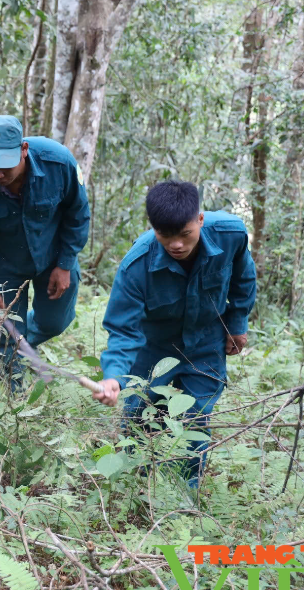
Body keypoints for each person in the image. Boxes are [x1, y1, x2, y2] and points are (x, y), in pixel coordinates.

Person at [97, 180, 257, 489]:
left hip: (205, 341)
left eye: (185, 234)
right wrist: (114, 376)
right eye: (165, 236)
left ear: (199, 220)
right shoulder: (137, 266)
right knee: (140, 415)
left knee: (197, 416)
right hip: (153, 346)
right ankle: (135, 487)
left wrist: (237, 323)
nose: (177, 245)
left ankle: (186, 493)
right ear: (153, 228)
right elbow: (122, 329)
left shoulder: (230, 234)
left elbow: (243, 274)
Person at [0, 115, 90, 390]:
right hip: (3, 262)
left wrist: (65, 264)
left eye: (4, 168)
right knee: (4, 337)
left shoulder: (58, 163)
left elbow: (78, 214)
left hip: (53, 256)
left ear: (23, 150)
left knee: (55, 321)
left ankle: (22, 341)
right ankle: (10, 399)